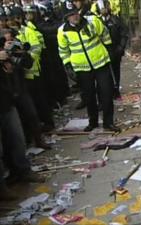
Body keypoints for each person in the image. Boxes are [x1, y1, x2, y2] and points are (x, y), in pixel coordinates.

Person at [57, 0, 120, 132]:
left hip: (101, 63)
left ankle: (108, 123)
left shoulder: (92, 21)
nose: (75, 16)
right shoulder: (62, 32)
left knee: (106, 93)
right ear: (66, 17)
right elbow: (63, 51)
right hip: (82, 69)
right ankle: (93, 122)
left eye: (75, 13)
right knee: (89, 96)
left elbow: (105, 34)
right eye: (71, 15)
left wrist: (109, 51)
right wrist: (68, 66)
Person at [0, 46, 45, 201]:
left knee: (17, 138)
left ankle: (23, 171)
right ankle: (2, 187)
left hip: (7, 102)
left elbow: (24, 64)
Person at [18, 4, 55, 131]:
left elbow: (36, 48)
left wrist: (26, 60)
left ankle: (47, 123)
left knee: (40, 99)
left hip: (32, 71)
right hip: (21, 75)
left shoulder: (26, 31)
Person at [94, 0, 128, 99]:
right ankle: (106, 92)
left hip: (115, 51)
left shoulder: (116, 20)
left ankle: (116, 90)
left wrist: (120, 48)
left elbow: (124, 34)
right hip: (102, 53)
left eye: (105, 7)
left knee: (116, 71)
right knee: (104, 74)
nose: (104, 9)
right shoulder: (96, 21)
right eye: (101, 8)